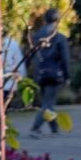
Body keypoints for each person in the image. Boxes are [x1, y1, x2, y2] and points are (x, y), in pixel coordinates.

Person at [29, 8, 70, 138]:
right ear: (57, 20)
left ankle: (54, 129)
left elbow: (30, 55)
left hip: (40, 73)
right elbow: (65, 58)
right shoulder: (59, 38)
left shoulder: (36, 37)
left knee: (47, 102)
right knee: (48, 104)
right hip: (54, 74)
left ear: (45, 19)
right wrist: (67, 75)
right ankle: (35, 127)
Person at [0, 26, 26, 132]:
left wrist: (19, 74)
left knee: (1, 106)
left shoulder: (11, 44)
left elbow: (18, 61)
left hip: (4, 81)